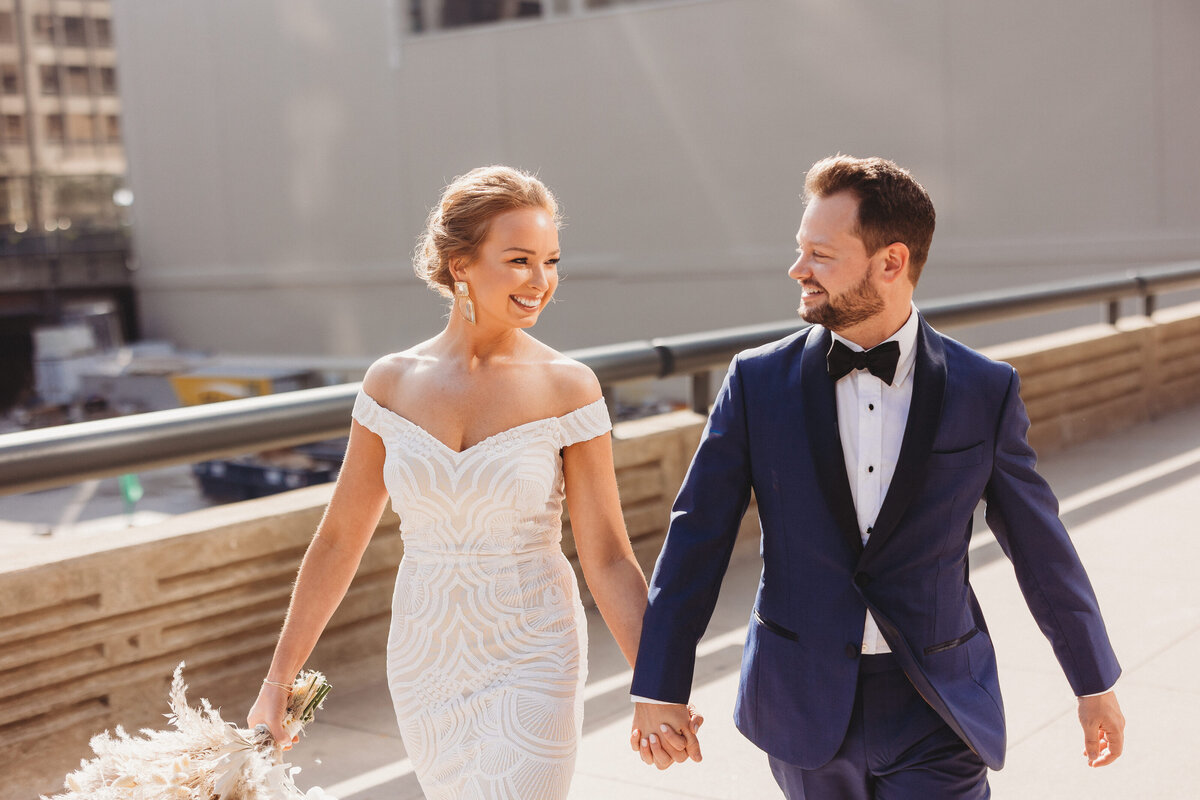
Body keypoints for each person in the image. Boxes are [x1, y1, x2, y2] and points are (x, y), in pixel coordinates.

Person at [628, 155, 1125, 798]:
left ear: (890, 263)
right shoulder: (757, 382)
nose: (798, 269)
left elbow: (1038, 543)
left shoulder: (984, 389)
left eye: (821, 254)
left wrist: (1093, 680)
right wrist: (660, 685)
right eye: (799, 249)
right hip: (800, 701)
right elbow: (697, 538)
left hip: (937, 700)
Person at [248, 166, 674, 799]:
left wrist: (655, 684)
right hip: (425, 656)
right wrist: (278, 682)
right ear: (459, 265)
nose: (541, 281)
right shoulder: (389, 383)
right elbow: (338, 540)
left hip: (535, 651)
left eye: (551, 260)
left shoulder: (568, 387)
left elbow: (609, 555)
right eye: (520, 259)